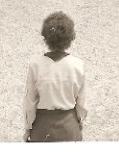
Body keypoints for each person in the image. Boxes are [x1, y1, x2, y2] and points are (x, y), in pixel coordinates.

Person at [23, 12, 87, 142]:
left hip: (42, 128)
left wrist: (28, 128)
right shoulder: (78, 65)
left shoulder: (35, 65)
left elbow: (30, 103)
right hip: (69, 126)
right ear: (70, 38)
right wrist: (79, 122)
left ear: (45, 38)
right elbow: (82, 104)